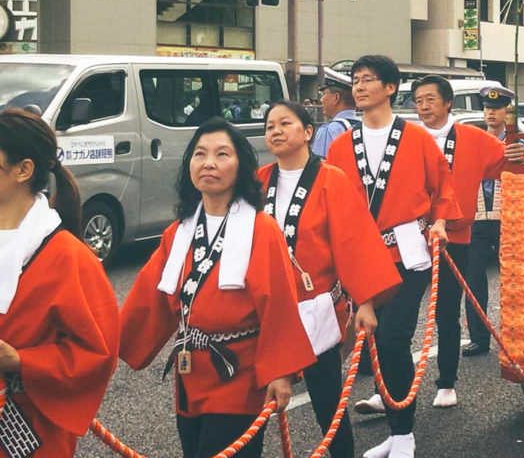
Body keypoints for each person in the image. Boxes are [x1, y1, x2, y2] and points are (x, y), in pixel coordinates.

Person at [120, 118, 316, 458]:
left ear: (240, 166)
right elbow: (149, 299)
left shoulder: (261, 228)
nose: (209, 163)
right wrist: (98, 347)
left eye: (222, 154)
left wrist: (281, 372)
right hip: (191, 373)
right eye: (200, 154)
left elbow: (280, 305)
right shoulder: (179, 232)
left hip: (238, 374)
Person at [326, 55, 460, 458]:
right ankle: (391, 402)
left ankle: (403, 434)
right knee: (374, 341)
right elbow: (330, 203)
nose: (359, 87)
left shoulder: (417, 138)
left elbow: (443, 189)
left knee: (393, 337)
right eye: (355, 81)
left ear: (390, 88)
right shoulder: (339, 145)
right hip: (360, 255)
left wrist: (440, 223)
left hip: (405, 251)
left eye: (368, 80)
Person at [258, 101, 402, 458]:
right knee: (257, 404)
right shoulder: (258, 181)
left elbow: (355, 242)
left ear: (308, 133)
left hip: (318, 306)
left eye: (285, 123)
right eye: (269, 126)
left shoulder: (331, 180)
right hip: (269, 311)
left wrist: (366, 301)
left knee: (328, 404)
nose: (275, 131)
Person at [0, 108, 120, 458]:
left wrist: (22, 360)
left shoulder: (67, 256)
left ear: (24, 170)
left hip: (28, 423)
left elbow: (97, 352)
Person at [401, 77, 524, 409]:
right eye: (418, 100)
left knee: (446, 312)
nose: (423, 106)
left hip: (455, 235)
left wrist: (518, 152)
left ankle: (446, 382)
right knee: (401, 313)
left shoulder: (472, 138)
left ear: (447, 103)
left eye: (430, 99)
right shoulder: (405, 138)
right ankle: (393, 386)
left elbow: (508, 162)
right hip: (408, 237)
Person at [462, 85, 524, 359]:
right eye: (488, 108)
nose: (492, 113)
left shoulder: (519, 143)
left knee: (514, 279)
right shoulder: (476, 140)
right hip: (477, 216)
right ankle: (479, 338)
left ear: (507, 112)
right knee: (474, 279)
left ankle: (517, 334)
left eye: (498, 108)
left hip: (509, 217)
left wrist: (522, 159)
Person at [312, 77, 361, 159]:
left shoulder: (329, 130)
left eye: (324, 94)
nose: (321, 99)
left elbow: (320, 167)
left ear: (336, 97)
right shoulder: (365, 126)